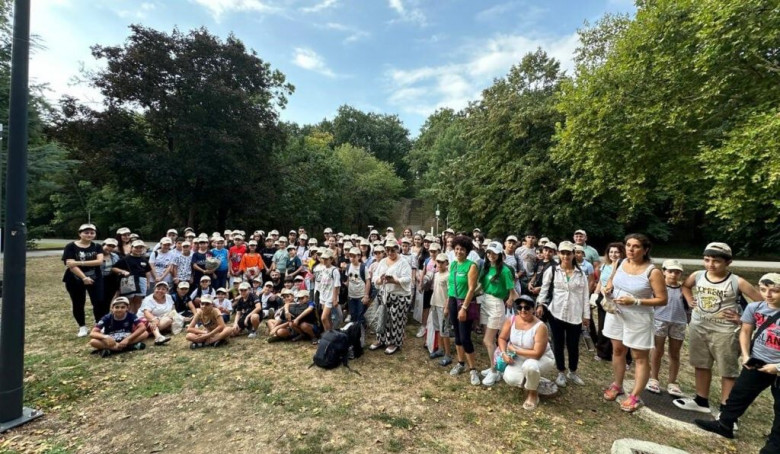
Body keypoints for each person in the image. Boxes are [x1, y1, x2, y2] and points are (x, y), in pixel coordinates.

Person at [694, 273, 780, 453]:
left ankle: (774, 446)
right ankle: (724, 424)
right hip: (758, 360)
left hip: (778, 365)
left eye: (775, 291)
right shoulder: (755, 308)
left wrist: (777, 367)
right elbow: (745, 331)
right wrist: (746, 356)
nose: (768, 294)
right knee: (739, 394)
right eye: (763, 290)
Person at [674, 242, 761, 415]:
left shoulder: (737, 281)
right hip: (699, 327)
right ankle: (701, 401)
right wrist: (690, 300)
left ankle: (725, 410)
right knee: (701, 364)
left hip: (725, 332)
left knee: (727, 370)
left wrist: (742, 320)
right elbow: (685, 286)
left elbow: (761, 304)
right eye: (707, 260)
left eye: (716, 261)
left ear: (728, 262)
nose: (711, 264)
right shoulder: (698, 275)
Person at [602, 234, 668, 412]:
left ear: (645, 250)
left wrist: (636, 301)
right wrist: (608, 289)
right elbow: (612, 280)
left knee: (639, 357)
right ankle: (617, 384)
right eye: (628, 245)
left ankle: (635, 395)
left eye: (636, 246)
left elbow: (662, 299)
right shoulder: (620, 262)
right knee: (618, 350)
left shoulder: (652, 272)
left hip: (639, 317)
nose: (630, 249)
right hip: (616, 313)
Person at [537, 241, 590, 388]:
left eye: (568, 253)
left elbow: (585, 296)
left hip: (575, 314)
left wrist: (586, 315)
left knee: (573, 345)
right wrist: (540, 304)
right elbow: (544, 288)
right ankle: (561, 371)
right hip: (556, 312)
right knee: (558, 343)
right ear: (559, 254)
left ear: (573, 254)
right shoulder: (553, 271)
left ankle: (572, 371)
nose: (565, 256)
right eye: (563, 253)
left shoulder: (581, 274)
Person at [498, 296, 556, 410]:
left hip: (542, 358)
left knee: (530, 367)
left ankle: (533, 394)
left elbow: (537, 354)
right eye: (520, 307)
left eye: (527, 307)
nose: (523, 310)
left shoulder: (540, 327)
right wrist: (504, 353)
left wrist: (515, 350)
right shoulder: (512, 320)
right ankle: (534, 379)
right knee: (510, 378)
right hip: (520, 358)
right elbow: (502, 338)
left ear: (533, 309)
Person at [647, 259, 689, 396]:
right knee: (657, 350)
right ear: (663, 272)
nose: (673, 275)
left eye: (677, 272)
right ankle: (654, 378)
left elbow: (689, 306)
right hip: (659, 320)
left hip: (679, 322)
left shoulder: (683, 289)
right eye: (670, 271)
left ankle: (672, 381)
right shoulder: (658, 287)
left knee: (675, 353)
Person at [479, 241, 518, 386]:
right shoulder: (486, 267)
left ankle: (495, 371)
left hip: (496, 304)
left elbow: (513, 292)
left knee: (488, 340)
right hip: (485, 301)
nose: (491, 255)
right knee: (488, 340)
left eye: (494, 253)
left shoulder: (505, 271)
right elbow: (480, 286)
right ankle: (494, 366)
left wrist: (510, 300)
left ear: (500, 254)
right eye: (489, 252)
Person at [446, 235, 481, 385]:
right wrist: (447, 305)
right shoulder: (453, 264)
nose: (459, 251)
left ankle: (473, 369)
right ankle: (460, 363)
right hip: (453, 301)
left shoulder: (471, 266)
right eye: (457, 249)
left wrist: (464, 308)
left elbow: (472, 289)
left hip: (464, 303)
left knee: (466, 337)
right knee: (457, 336)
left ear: (467, 251)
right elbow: (450, 286)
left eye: (462, 249)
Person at [369, 239, 413, 355]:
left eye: (392, 250)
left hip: (399, 296)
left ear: (397, 250)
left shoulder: (403, 262)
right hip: (384, 294)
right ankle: (381, 339)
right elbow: (375, 277)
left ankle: (394, 343)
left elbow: (408, 279)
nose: (390, 252)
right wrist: (380, 280)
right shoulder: (383, 261)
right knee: (382, 317)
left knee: (396, 320)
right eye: (387, 250)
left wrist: (394, 280)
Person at [63, 223, 106, 337]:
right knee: (78, 302)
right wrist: (84, 277)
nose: (89, 235)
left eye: (92, 233)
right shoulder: (71, 246)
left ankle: (99, 324)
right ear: (80, 234)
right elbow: (70, 265)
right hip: (74, 279)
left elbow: (99, 261)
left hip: (95, 277)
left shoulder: (97, 246)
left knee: (99, 301)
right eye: (86, 232)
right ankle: (82, 327)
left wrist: (78, 262)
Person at [591, 242, 627, 362]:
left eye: (616, 252)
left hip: (617, 299)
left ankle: (622, 355)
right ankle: (603, 353)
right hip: (603, 299)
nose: (613, 254)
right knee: (603, 326)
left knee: (618, 327)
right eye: (611, 252)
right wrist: (595, 294)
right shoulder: (605, 265)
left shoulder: (624, 267)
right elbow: (601, 281)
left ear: (622, 253)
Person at [115, 239, 155, 314]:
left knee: (139, 300)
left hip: (141, 281)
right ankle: (127, 315)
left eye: (141, 247)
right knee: (128, 300)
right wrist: (123, 271)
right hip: (129, 281)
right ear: (132, 248)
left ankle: (136, 316)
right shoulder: (126, 259)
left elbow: (147, 272)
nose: (138, 249)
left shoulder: (144, 259)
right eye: (136, 247)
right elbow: (114, 268)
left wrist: (148, 283)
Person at [139, 281, 174, 345]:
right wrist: (154, 319)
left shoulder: (169, 297)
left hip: (160, 319)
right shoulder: (148, 299)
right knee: (152, 322)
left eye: (163, 289)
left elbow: (172, 309)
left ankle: (153, 333)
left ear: (166, 291)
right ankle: (158, 336)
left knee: (169, 320)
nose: (160, 291)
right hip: (145, 319)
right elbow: (146, 313)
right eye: (158, 288)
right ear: (154, 289)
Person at [318, 249, 342, 332]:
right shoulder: (323, 269)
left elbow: (336, 285)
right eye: (323, 259)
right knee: (328, 318)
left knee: (323, 318)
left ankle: (328, 334)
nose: (324, 261)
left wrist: (335, 299)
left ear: (331, 259)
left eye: (326, 259)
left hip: (330, 296)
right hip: (323, 295)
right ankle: (330, 333)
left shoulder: (334, 270)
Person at [346, 247, 371, 327]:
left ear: (359, 257)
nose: (352, 258)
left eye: (354, 256)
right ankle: (354, 330)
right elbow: (348, 279)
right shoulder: (348, 266)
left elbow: (368, 281)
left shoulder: (363, 267)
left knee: (361, 316)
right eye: (350, 256)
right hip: (351, 295)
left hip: (361, 295)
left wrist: (366, 295)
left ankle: (361, 331)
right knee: (353, 315)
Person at [100, 238, 122, 310]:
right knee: (99, 300)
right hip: (99, 279)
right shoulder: (96, 255)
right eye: (109, 245)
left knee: (108, 300)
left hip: (111, 280)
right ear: (103, 245)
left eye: (113, 246)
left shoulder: (115, 256)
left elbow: (118, 267)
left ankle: (105, 315)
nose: (110, 248)